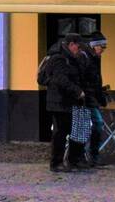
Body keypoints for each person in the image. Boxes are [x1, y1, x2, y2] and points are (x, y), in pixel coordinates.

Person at [38, 32, 91, 173]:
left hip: (70, 101)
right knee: (60, 132)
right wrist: (77, 91)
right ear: (71, 44)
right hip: (59, 102)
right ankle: (56, 162)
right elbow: (61, 80)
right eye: (78, 47)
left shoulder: (71, 58)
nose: (79, 50)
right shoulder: (59, 59)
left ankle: (73, 160)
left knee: (74, 130)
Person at [80, 32, 110, 165]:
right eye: (102, 47)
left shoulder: (94, 57)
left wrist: (100, 95)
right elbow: (86, 80)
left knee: (93, 126)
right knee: (95, 124)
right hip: (86, 98)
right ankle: (89, 155)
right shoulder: (85, 57)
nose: (103, 50)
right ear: (94, 46)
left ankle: (90, 155)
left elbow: (96, 80)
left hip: (92, 97)